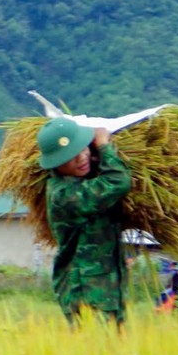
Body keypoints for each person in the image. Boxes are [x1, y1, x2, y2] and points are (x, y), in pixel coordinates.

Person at [40, 116, 133, 326]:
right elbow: (118, 181)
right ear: (55, 163)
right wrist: (104, 146)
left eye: (83, 149)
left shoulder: (82, 183)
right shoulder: (65, 196)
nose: (81, 158)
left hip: (107, 287)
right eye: (69, 156)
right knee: (95, 354)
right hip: (85, 291)